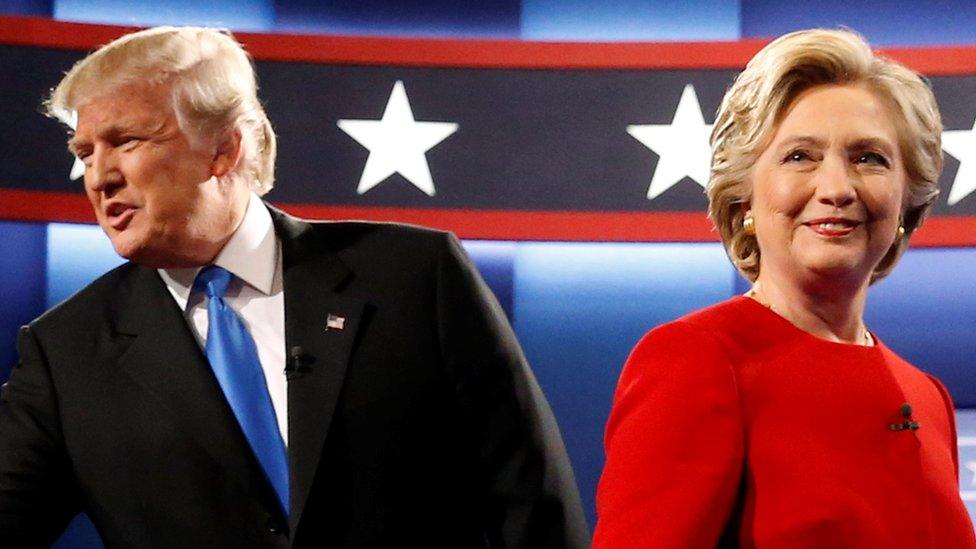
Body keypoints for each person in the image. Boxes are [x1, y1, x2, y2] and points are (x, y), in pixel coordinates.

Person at [0, 26, 589, 547]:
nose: (99, 176)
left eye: (127, 141)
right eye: (85, 151)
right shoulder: (67, 352)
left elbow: (532, 506)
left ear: (223, 150)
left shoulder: (414, 276)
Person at [594, 29, 976, 547]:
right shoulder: (696, 360)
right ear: (745, 197)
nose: (837, 188)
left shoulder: (926, 397)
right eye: (800, 157)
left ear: (908, 202)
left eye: (870, 157)